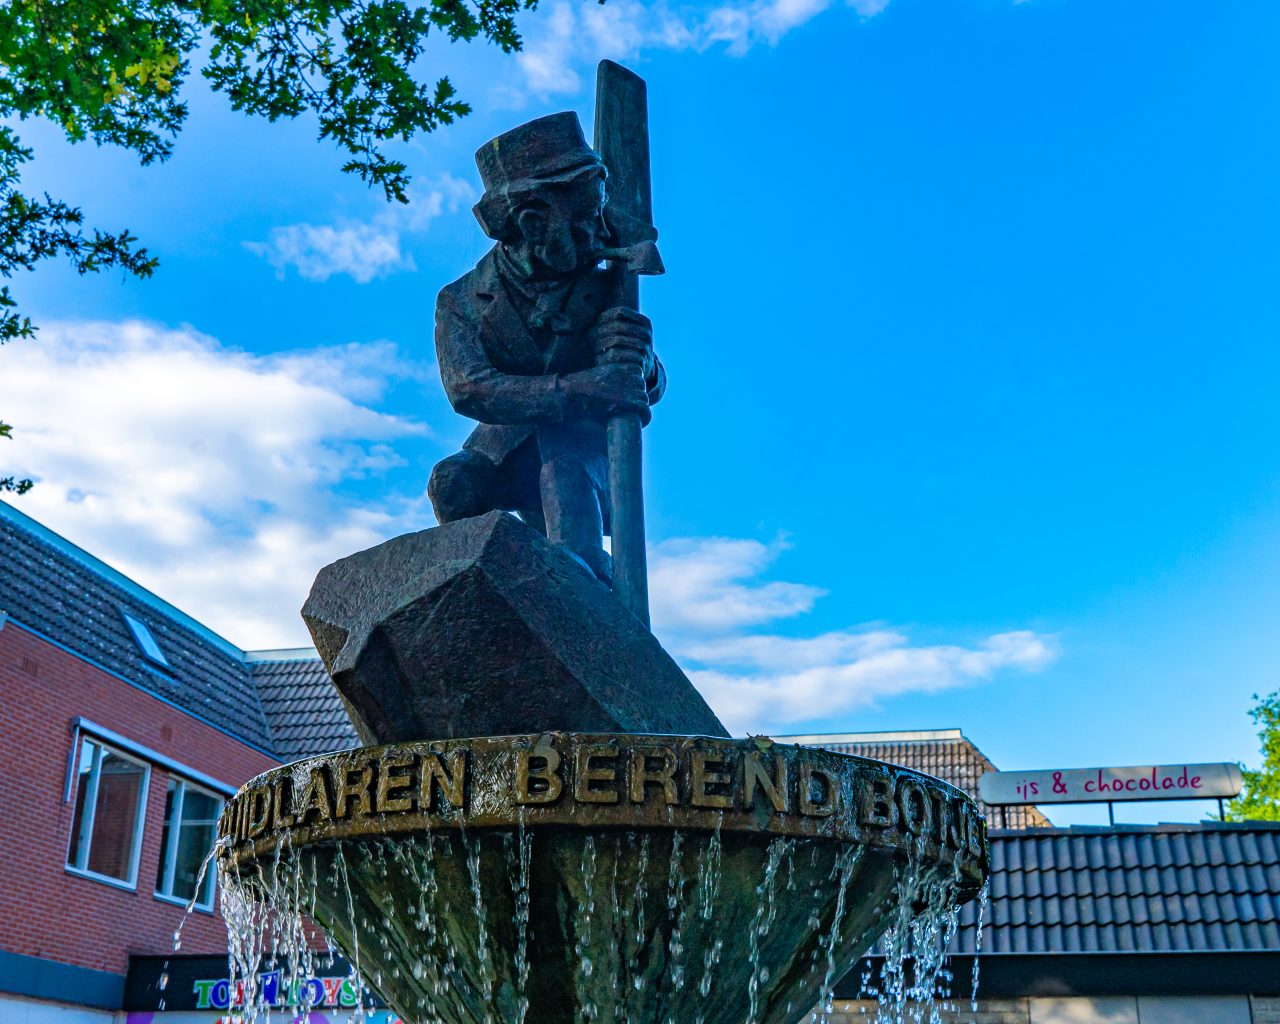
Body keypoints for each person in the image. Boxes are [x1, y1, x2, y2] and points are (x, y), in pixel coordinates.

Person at [428, 111, 665, 583]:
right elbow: (469, 389)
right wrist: (585, 386)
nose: (597, 231)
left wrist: (643, 365)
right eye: (582, 219)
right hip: (506, 449)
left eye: (598, 214)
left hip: (581, 452)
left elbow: (649, 382)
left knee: (565, 496)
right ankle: (490, 597)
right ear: (533, 224)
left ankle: (587, 602)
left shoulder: (609, 278)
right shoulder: (460, 301)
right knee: (452, 483)